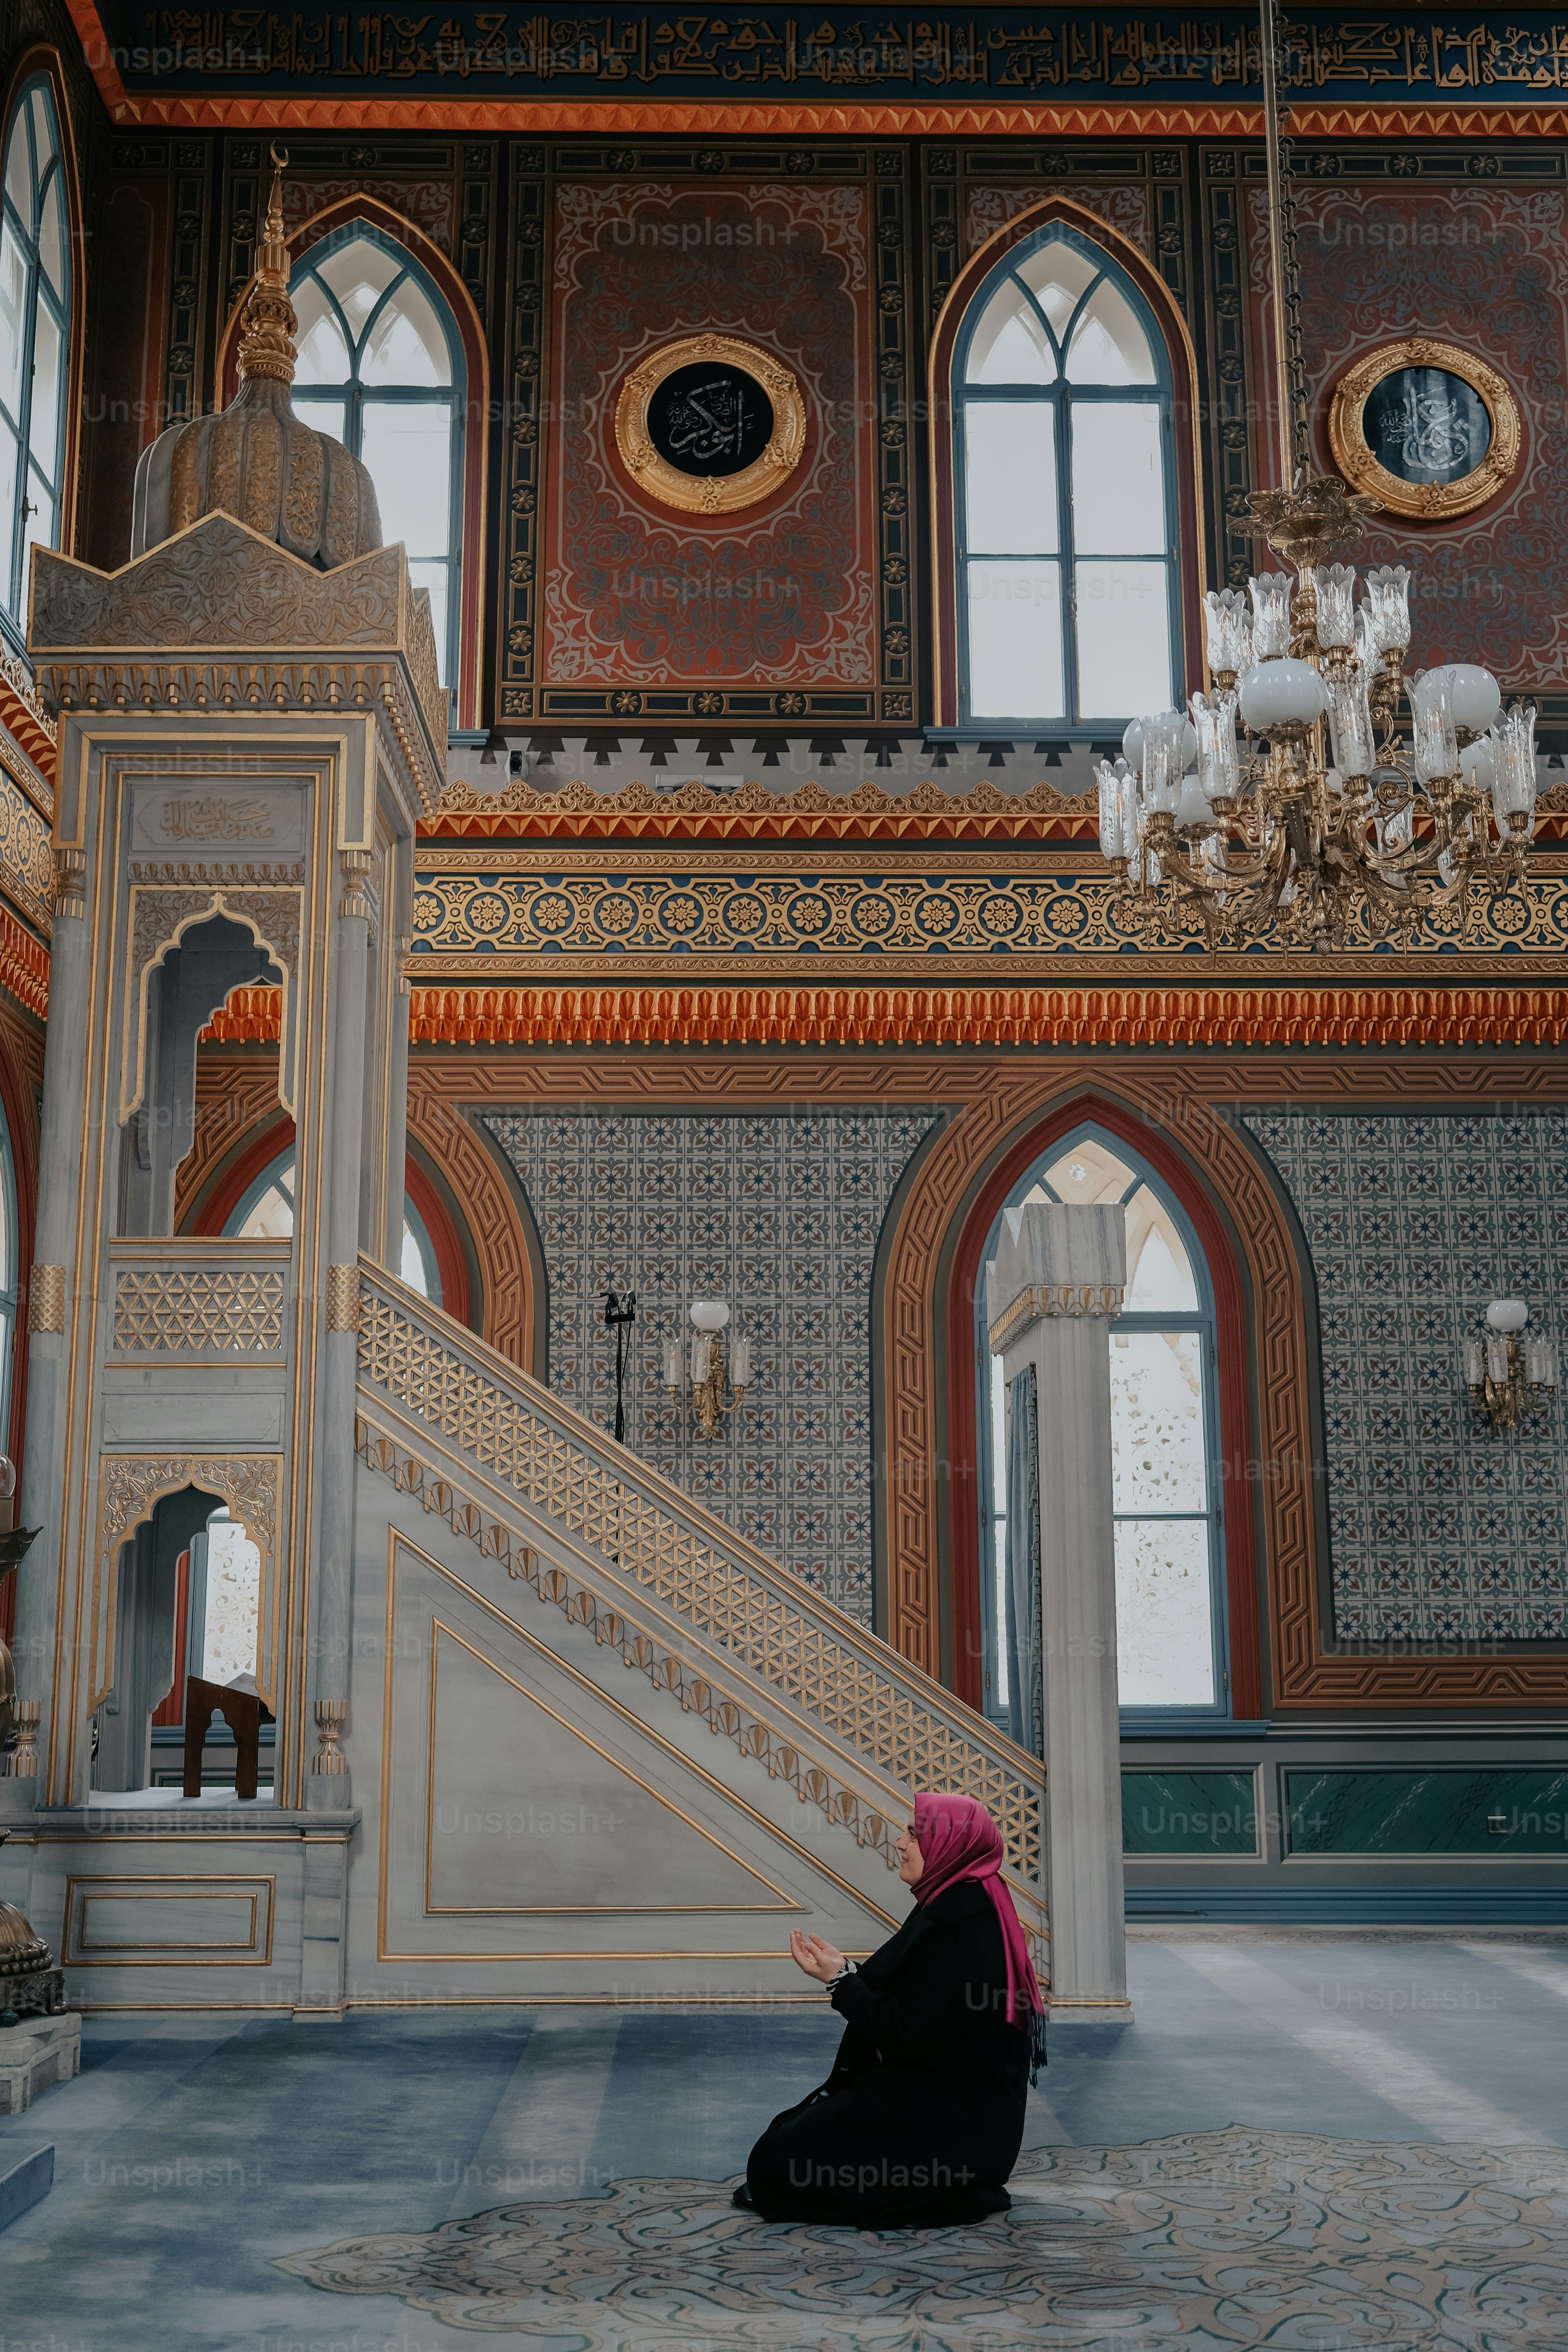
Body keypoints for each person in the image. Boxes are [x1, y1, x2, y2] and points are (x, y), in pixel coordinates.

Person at [738, 1789, 1046, 2226]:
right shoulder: (957, 1904)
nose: (900, 1844)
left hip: (958, 2128)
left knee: (779, 2167)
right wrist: (844, 1971)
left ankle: (964, 2196)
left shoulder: (961, 1924)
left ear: (947, 1845)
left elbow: (907, 2034)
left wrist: (840, 1982)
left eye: (912, 1835)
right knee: (782, 2144)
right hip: (950, 2104)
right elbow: (921, 2000)